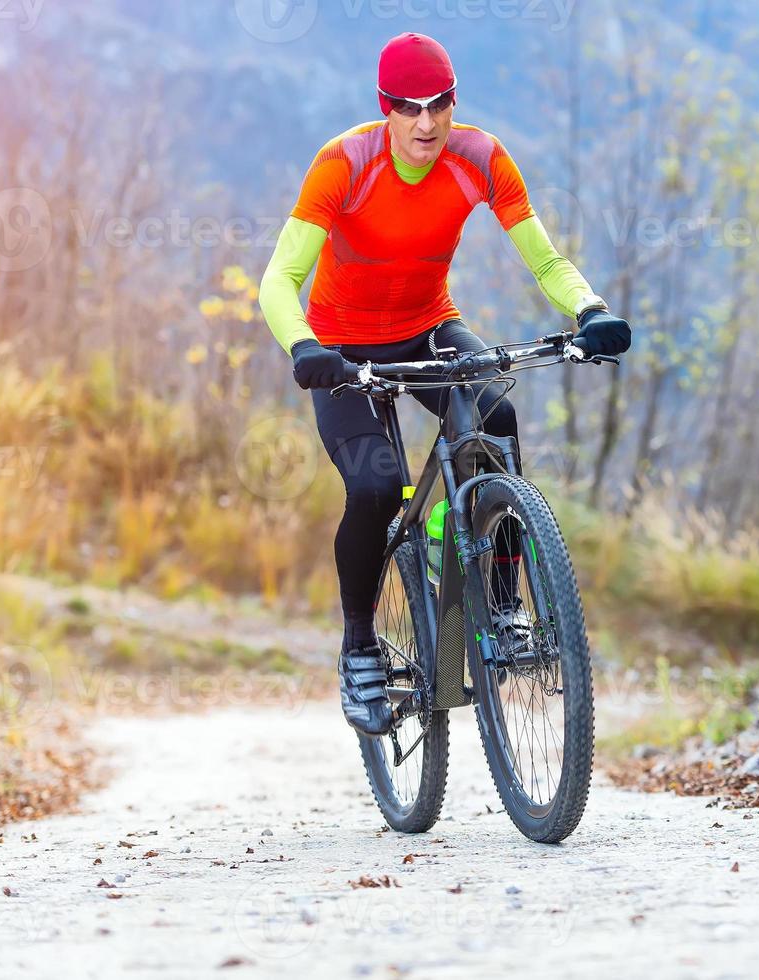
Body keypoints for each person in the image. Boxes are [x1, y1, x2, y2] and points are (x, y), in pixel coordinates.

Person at [258, 32, 631, 735]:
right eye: (407, 108)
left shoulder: (482, 158)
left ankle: (501, 600)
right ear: (385, 108)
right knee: (373, 487)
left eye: (438, 106)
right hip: (341, 347)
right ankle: (360, 646)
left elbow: (545, 260)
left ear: (454, 103)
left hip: (428, 325)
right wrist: (304, 345)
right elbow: (279, 279)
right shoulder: (344, 164)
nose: (425, 123)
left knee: (497, 419)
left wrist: (590, 309)